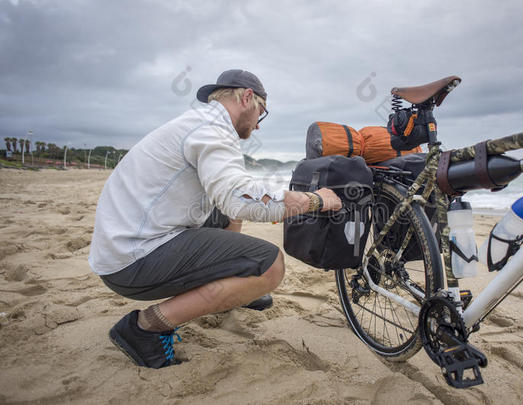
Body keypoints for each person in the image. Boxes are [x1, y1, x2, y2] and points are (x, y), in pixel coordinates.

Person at [88, 69, 342, 369]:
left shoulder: (200, 122)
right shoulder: (212, 129)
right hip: (132, 260)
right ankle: (146, 327)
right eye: (261, 113)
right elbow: (242, 198)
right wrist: (315, 200)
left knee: (225, 211)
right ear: (248, 97)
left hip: (127, 243)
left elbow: (228, 198)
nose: (258, 126)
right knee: (270, 265)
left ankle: (238, 288)